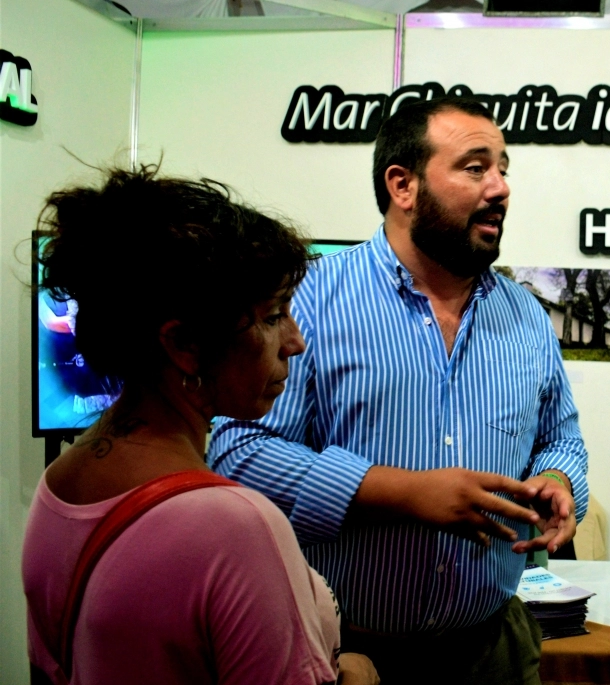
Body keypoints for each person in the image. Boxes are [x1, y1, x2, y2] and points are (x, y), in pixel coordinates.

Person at [208, 96, 588, 684]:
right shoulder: (310, 299)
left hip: (496, 651)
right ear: (402, 185)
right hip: (351, 656)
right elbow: (237, 452)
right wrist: (400, 491)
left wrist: (559, 483)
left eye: (503, 168)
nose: (500, 187)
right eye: (475, 166)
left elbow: (561, 439)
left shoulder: (526, 315)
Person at [22, 166, 377, 685]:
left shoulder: (60, 485)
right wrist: (354, 675)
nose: (296, 341)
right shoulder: (236, 526)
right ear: (184, 344)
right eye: (274, 314)